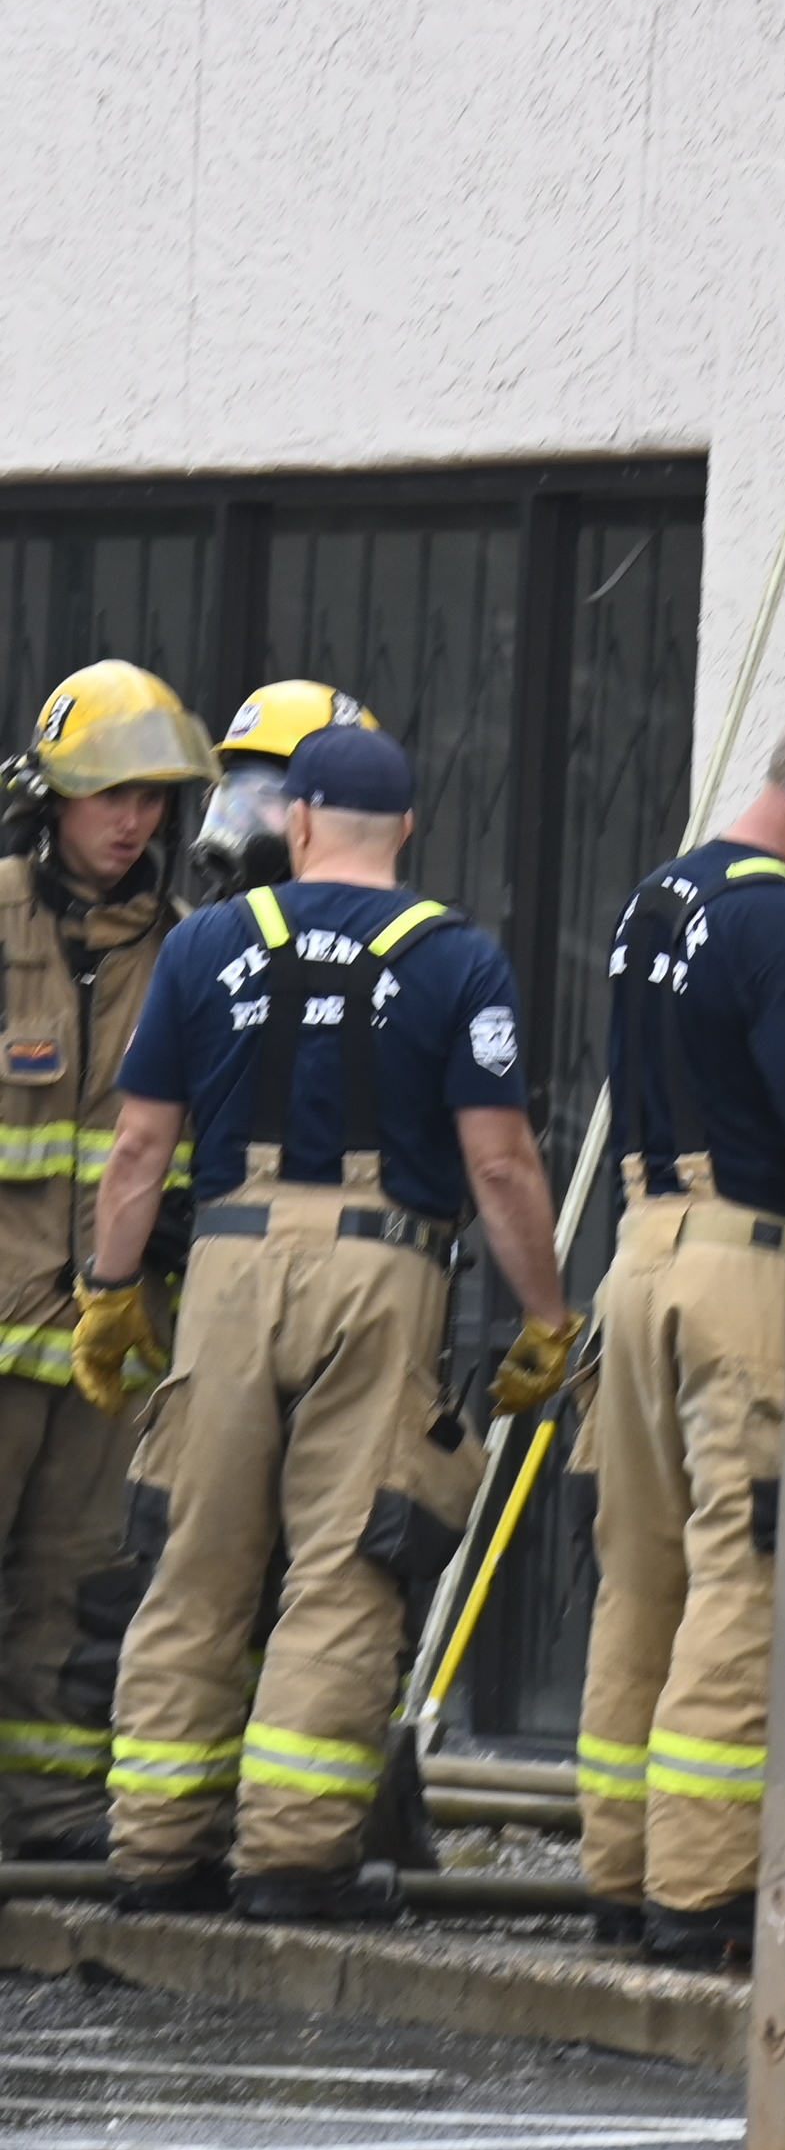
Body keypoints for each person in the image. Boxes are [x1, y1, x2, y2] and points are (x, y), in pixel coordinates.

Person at [75, 725, 580, 1920]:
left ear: (294, 822)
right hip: (381, 1273)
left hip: (228, 1271)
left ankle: (155, 1850)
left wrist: (109, 1291)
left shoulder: (203, 944)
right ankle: (291, 1861)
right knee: (346, 1568)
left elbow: (139, 1146)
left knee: (197, 1558)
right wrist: (545, 1318)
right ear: (405, 830)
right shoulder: (457, 958)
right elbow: (500, 1163)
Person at [570, 704, 785, 1967]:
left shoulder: (654, 900)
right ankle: (703, 1890)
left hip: (639, 1254)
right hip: (743, 1269)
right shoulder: (781, 922)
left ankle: (619, 1872)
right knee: (742, 1577)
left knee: (641, 1573)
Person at [0, 664, 216, 1858]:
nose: (133, 821)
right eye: (109, 796)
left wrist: (175, 1229)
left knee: (77, 1585)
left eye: (151, 798)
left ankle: (48, 1810)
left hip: (108, 1344)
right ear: (54, 798)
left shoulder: (185, 950)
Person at [188, 679, 381, 900]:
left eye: (266, 799)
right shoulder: (220, 914)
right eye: (237, 796)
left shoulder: (381, 920)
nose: (243, 819)